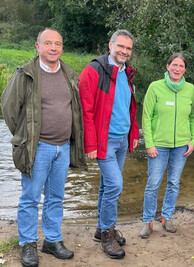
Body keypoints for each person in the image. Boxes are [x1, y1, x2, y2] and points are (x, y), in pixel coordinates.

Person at [1, 28, 87, 267]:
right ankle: (28, 243)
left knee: (56, 197)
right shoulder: (25, 74)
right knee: (30, 198)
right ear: (37, 46)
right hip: (37, 148)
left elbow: (75, 111)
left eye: (57, 44)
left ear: (62, 48)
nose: (53, 48)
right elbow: (8, 108)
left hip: (62, 148)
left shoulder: (70, 74)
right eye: (47, 43)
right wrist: (24, 137)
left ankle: (52, 240)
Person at [79, 29, 139, 259]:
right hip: (104, 141)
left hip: (122, 139)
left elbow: (129, 109)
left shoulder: (127, 73)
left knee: (106, 186)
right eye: (120, 46)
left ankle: (100, 228)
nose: (124, 51)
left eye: (128, 48)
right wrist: (90, 144)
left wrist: (133, 133)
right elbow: (86, 110)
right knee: (115, 185)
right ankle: (107, 234)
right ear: (110, 44)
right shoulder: (94, 70)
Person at [139, 53, 194, 238]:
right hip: (158, 145)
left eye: (181, 66)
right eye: (174, 65)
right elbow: (146, 117)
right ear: (167, 66)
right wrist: (149, 144)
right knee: (153, 183)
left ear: (185, 69)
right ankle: (148, 221)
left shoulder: (190, 89)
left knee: (173, 183)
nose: (177, 69)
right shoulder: (155, 87)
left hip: (181, 146)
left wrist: (193, 141)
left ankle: (166, 216)